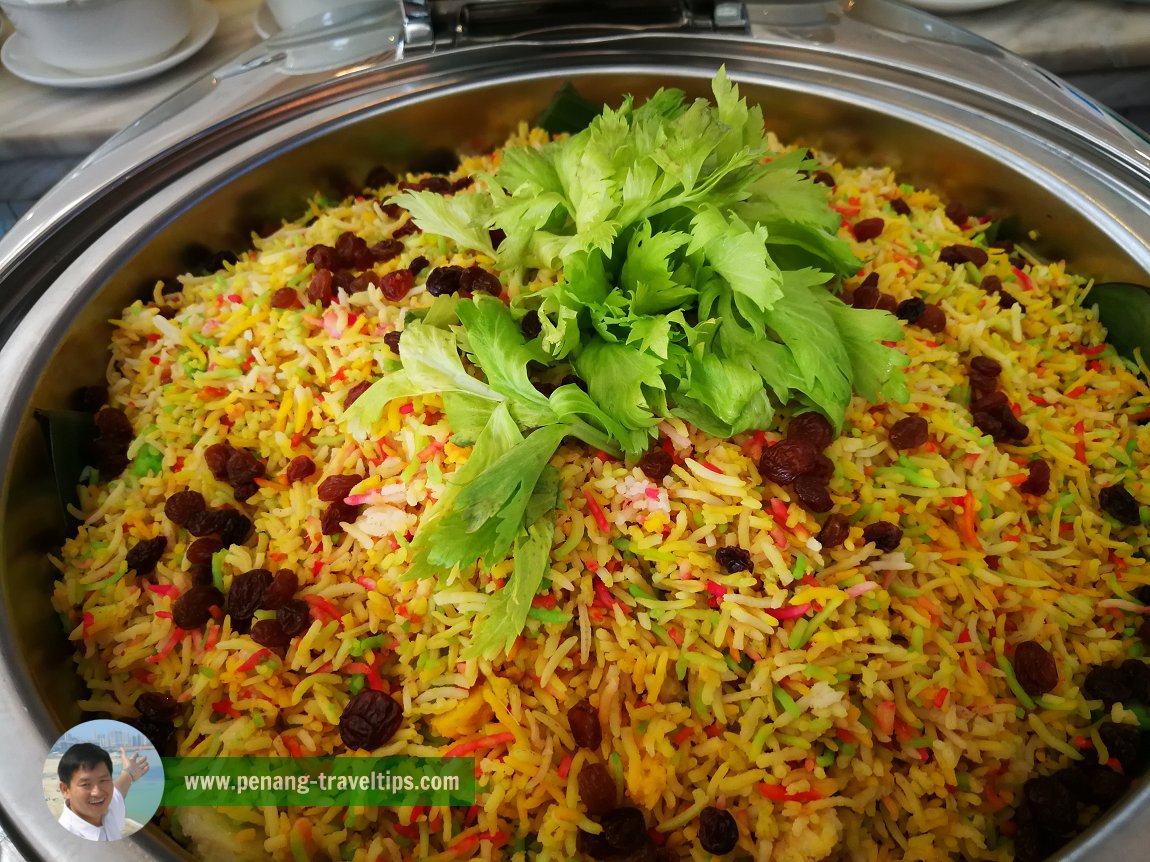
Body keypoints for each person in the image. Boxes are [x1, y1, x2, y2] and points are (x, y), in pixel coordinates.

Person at [56, 742, 149, 841]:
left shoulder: (108, 810)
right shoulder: (64, 839)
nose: (97, 792)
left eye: (103, 781)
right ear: (65, 790)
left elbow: (118, 790)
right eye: (86, 784)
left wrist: (129, 773)